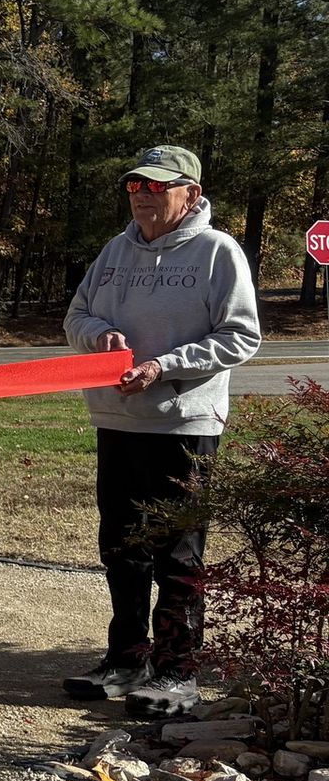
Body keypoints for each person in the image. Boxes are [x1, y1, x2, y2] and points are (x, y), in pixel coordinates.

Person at [61, 145, 260, 718]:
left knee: (177, 550)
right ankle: (126, 661)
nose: (143, 195)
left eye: (156, 186)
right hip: (116, 419)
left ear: (190, 194)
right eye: (134, 186)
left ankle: (177, 672)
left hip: (184, 424)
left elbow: (241, 337)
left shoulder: (218, 253)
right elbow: (76, 316)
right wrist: (98, 336)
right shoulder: (115, 251)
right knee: (121, 547)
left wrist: (163, 366)